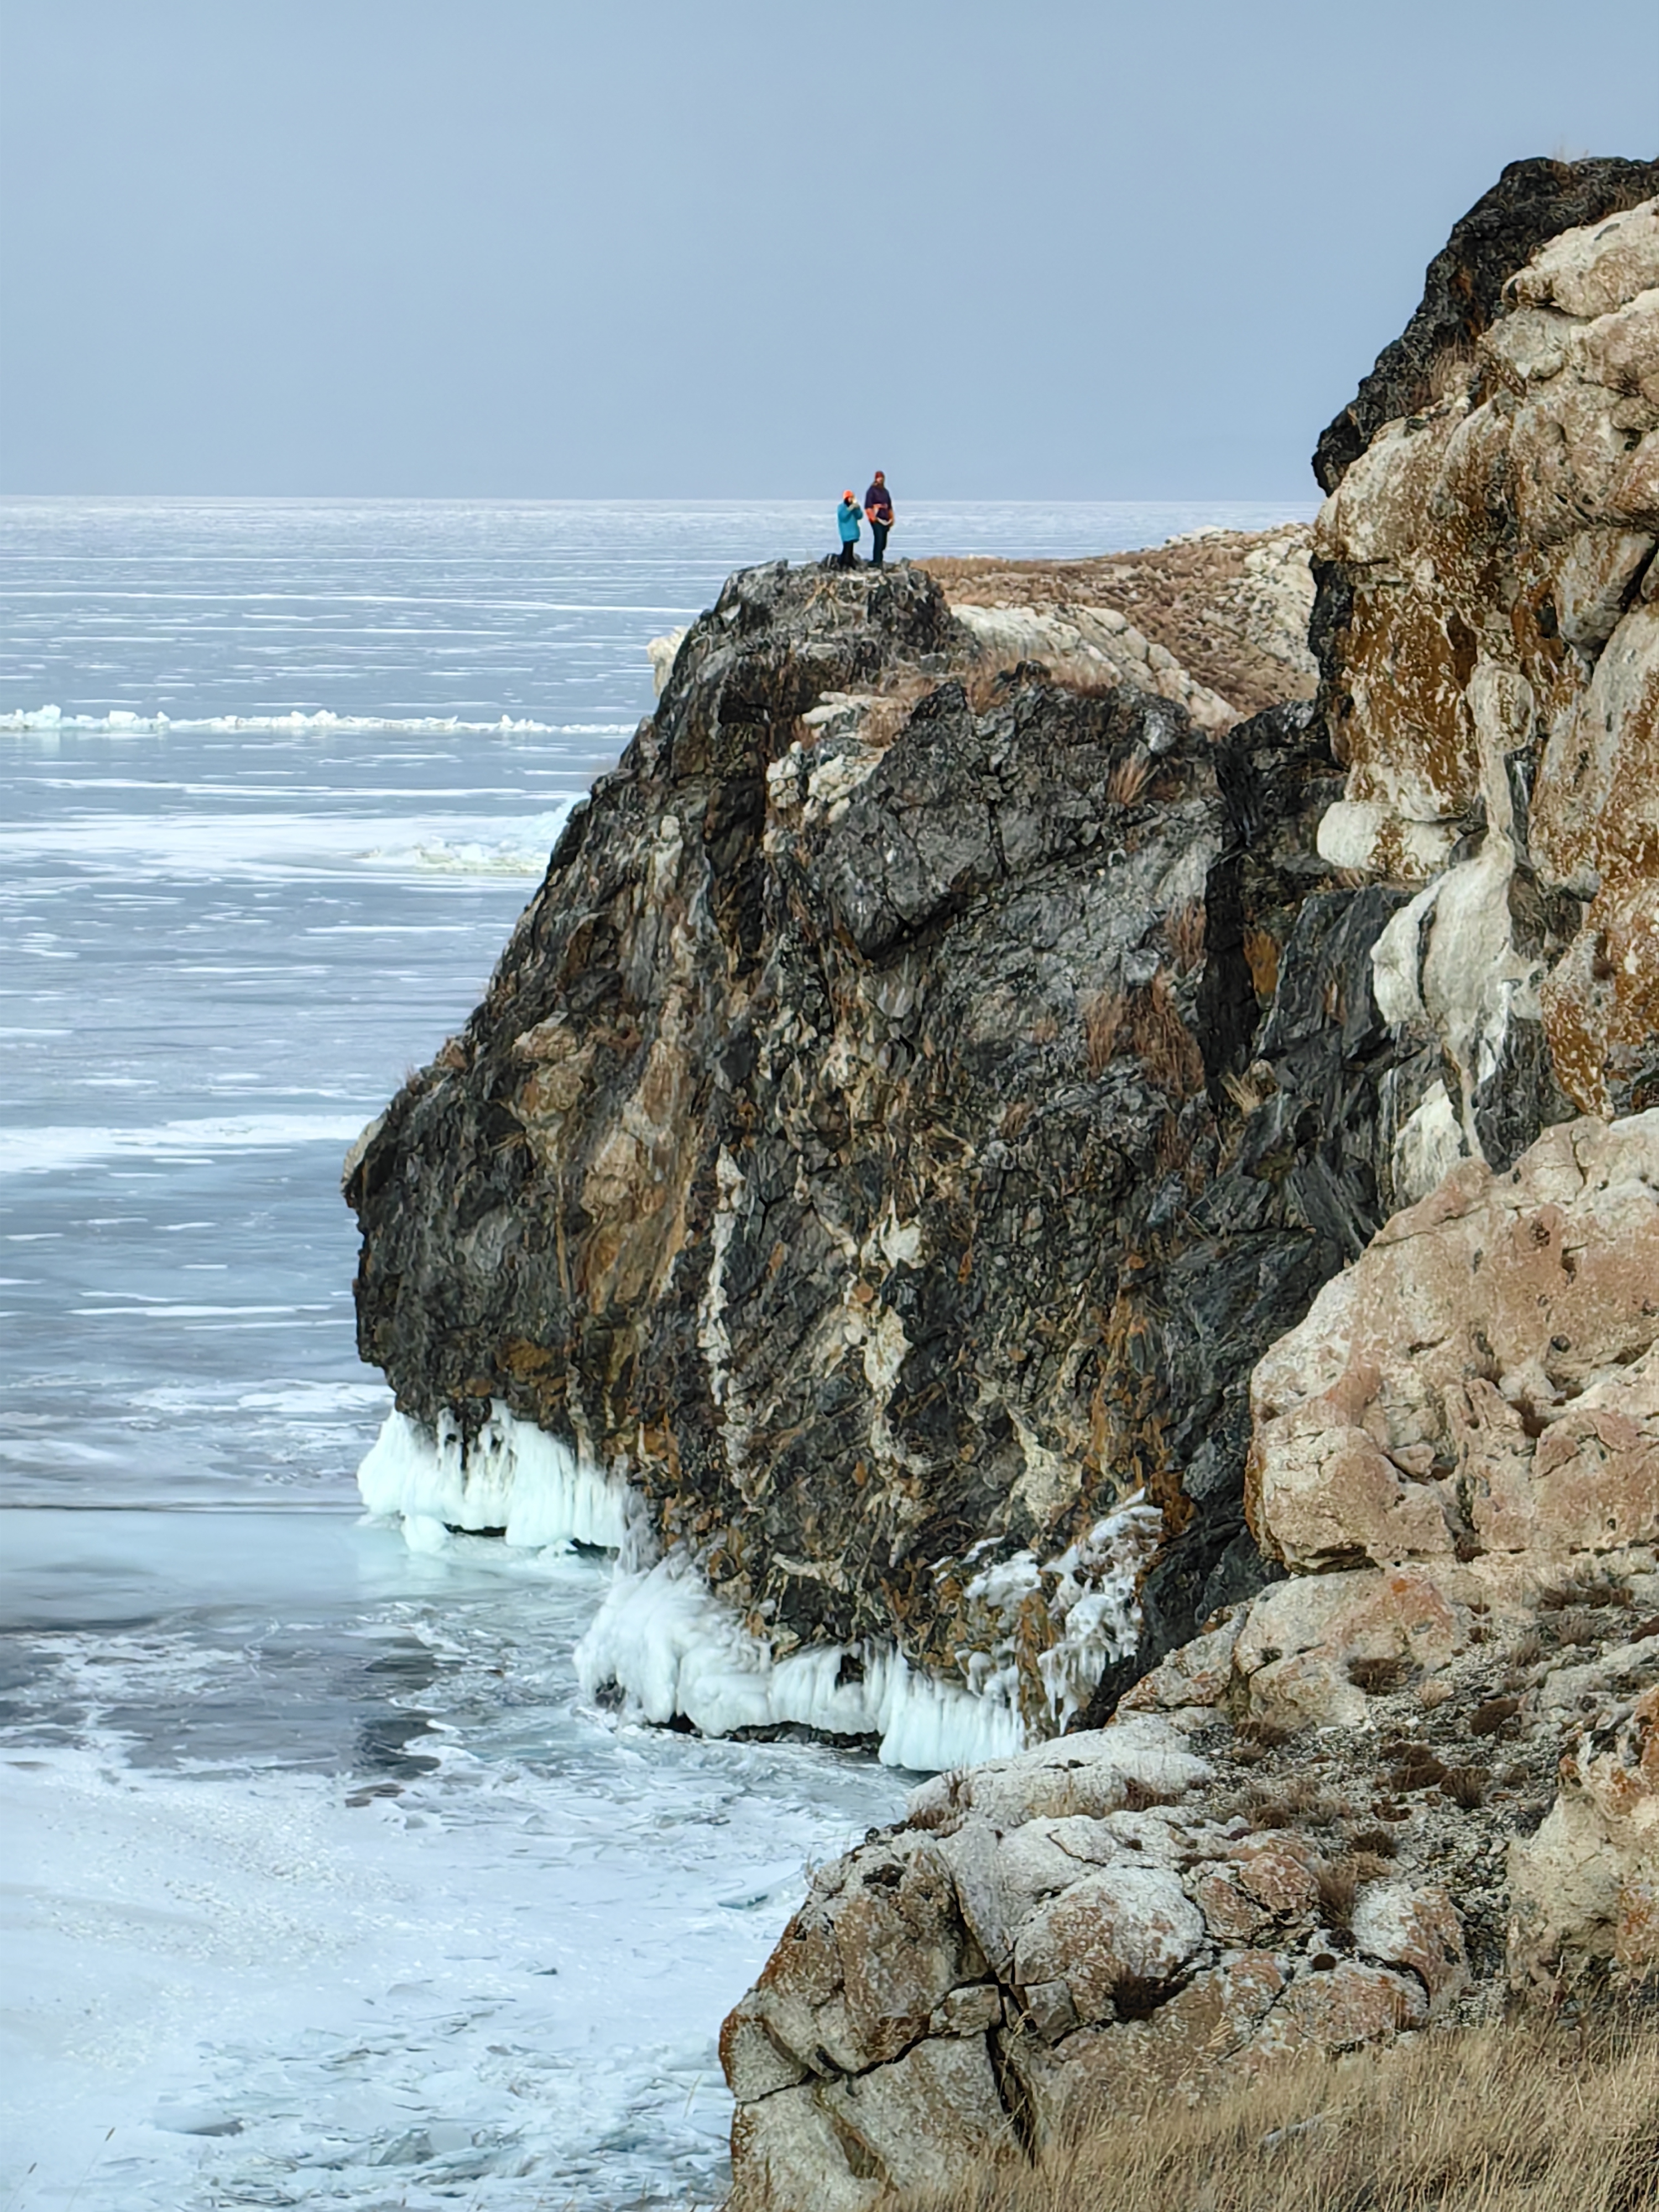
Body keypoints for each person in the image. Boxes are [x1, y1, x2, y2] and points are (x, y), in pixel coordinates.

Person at [864, 472, 894, 566]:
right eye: (879, 478)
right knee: (879, 539)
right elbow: (868, 505)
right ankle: (876, 561)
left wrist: (892, 518)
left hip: (885, 519)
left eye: (882, 478)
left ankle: (880, 559)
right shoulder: (871, 491)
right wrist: (872, 516)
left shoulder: (886, 492)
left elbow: (890, 506)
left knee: (884, 542)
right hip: (876, 519)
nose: (880, 480)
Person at [836, 489, 862, 568]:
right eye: (849, 498)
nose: (851, 500)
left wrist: (857, 509)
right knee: (847, 548)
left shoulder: (853, 508)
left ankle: (848, 562)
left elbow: (859, 516)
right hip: (846, 532)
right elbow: (842, 517)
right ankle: (845, 563)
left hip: (853, 531)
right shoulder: (842, 507)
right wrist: (849, 509)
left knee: (850, 549)